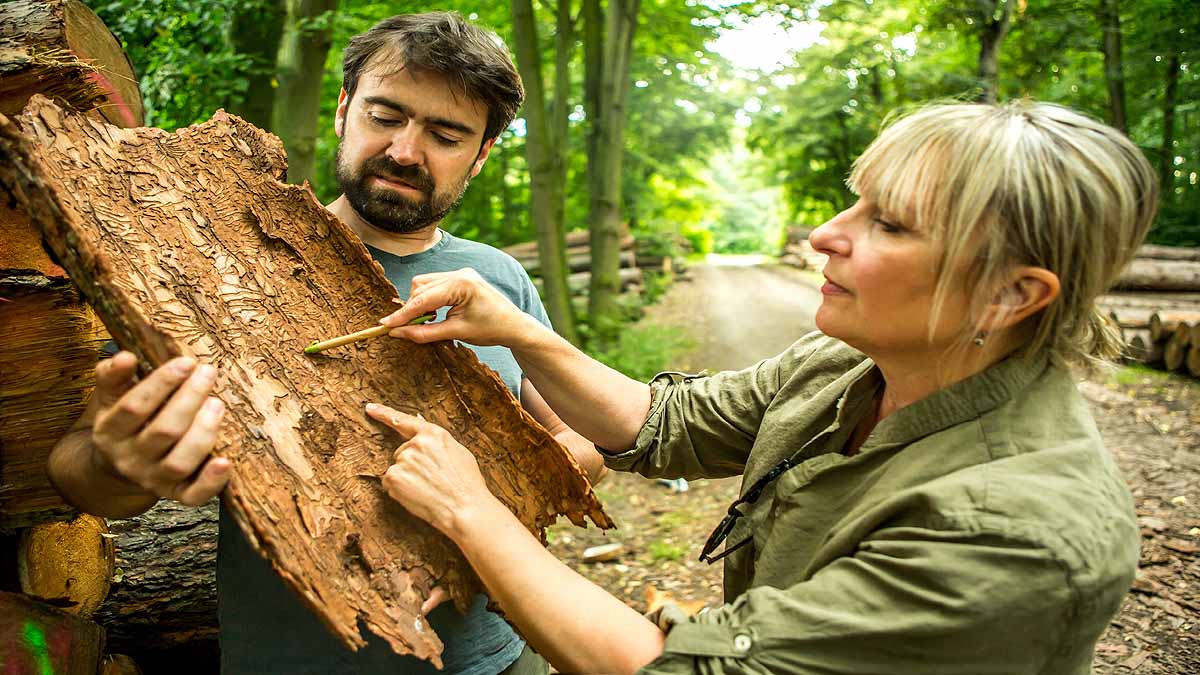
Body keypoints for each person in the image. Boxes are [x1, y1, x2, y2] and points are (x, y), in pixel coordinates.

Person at [368, 100, 1157, 674]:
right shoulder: (845, 362)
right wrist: (515, 327)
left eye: (890, 224)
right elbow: (664, 421)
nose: (825, 236)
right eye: (858, 202)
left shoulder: (1017, 529)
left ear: (1013, 295)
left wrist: (471, 511)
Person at [46, 12, 602, 675]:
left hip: (495, 662)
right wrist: (117, 464)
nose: (403, 150)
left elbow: (582, 445)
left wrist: (479, 514)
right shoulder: (212, 262)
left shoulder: (497, 279)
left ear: (481, 155)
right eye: (385, 114)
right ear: (343, 109)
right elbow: (77, 468)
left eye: (446, 134)